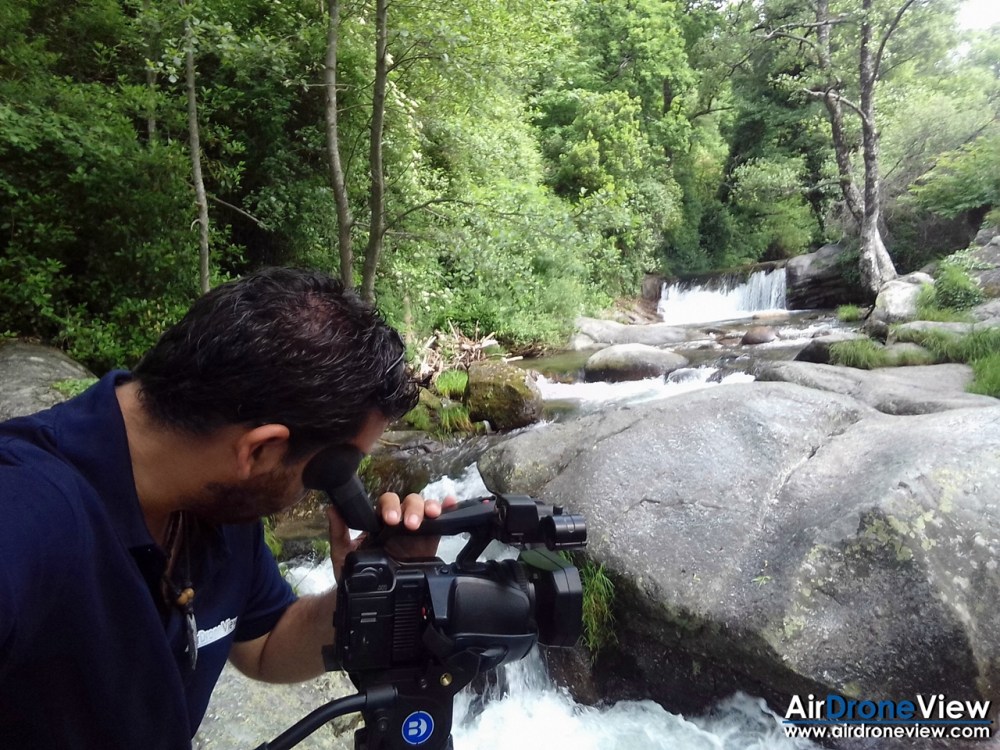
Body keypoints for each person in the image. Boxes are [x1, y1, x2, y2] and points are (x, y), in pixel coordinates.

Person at [0, 267, 442, 748]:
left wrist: (362, 591)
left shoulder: (217, 500)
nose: (333, 494)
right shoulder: (29, 509)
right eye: (331, 474)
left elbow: (266, 647)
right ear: (258, 451)